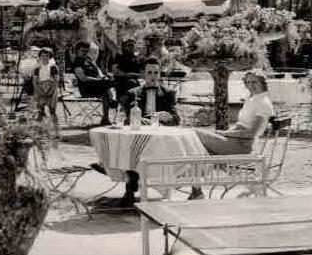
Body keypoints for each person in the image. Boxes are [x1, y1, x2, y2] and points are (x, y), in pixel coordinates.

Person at [188, 71, 274, 200]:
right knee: (200, 147)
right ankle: (196, 190)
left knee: (195, 133)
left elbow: (251, 133)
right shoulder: (252, 99)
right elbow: (241, 124)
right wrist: (224, 134)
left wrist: (225, 133)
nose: (250, 85)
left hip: (241, 146)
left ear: (262, 83)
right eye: (248, 82)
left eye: (254, 82)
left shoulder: (263, 102)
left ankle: (197, 190)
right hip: (234, 142)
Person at [115, 60, 181, 206]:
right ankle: (130, 190)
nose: (153, 76)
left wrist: (164, 117)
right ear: (143, 74)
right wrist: (146, 120)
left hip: (160, 141)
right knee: (130, 148)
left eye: (156, 72)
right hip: (138, 139)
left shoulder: (168, 93)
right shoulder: (133, 93)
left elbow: (176, 119)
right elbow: (126, 120)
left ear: (159, 74)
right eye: (149, 73)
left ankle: (164, 191)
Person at [71, 40, 115, 126]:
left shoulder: (88, 60)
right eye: (82, 50)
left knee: (109, 84)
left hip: (97, 86)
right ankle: (113, 101)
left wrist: (103, 77)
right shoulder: (77, 62)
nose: (85, 52)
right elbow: (83, 78)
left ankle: (106, 117)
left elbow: (99, 73)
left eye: (86, 51)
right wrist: (98, 80)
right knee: (108, 84)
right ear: (77, 50)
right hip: (86, 88)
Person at [32, 48, 62, 139]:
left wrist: (52, 90)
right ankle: (40, 132)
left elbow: (56, 81)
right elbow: (34, 81)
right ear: (40, 57)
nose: (45, 57)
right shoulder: (37, 68)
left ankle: (56, 132)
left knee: (52, 111)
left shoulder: (53, 67)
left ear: (50, 57)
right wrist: (39, 91)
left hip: (51, 90)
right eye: (43, 55)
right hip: (40, 90)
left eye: (47, 56)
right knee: (40, 112)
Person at [112, 38, 144, 109]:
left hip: (134, 83)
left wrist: (127, 74)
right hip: (121, 83)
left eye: (132, 45)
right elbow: (115, 71)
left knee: (135, 84)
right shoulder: (119, 57)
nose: (130, 47)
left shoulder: (138, 59)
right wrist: (132, 75)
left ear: (135, 46)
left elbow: (143, 75)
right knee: (131, 82)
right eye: (128, 45)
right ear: (125, 46)